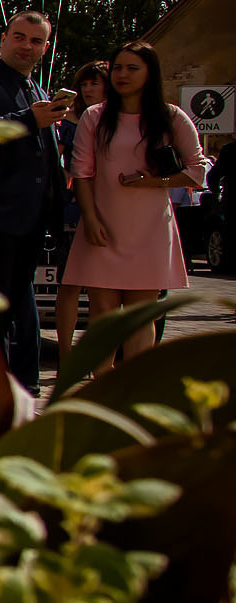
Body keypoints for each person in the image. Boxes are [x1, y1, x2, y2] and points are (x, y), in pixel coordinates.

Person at [62, 41, 207, 368]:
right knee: (102, 314)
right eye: (117, 68)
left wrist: (155, 182)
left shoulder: (170, 117)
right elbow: (81, 172)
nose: (122, 75)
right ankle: (102, 390)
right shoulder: (94, 117)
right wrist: (90, 217)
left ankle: (131, 392)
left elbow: (197, 171)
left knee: (142, 317)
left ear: (150, 73)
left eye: (132, 68)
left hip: (151, 227)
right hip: (102, 224)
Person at [0, 11, 68, 390]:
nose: (26, 46)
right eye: (19, 37)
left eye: (36, 41)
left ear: (45, 48)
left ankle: (24, 387)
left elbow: (46, 156)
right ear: (3, 39)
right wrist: (27, 121)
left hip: (31, 220)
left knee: (22, 306)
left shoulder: (37, 91)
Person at [52, 60, 110, 359]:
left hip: (113, 205)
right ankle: (65, 354)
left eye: (95, 83)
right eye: (84, 84)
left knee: (104, 289)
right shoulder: (70, 122)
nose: (88, 89)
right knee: (69, 282)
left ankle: (100, 355)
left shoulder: (117, 119)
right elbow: (57, 160)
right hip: (75, 206)